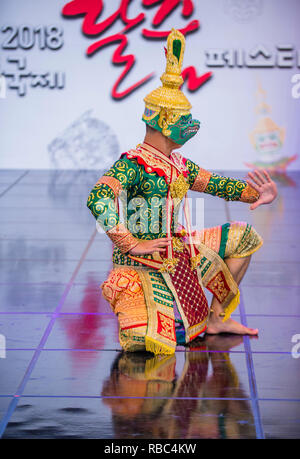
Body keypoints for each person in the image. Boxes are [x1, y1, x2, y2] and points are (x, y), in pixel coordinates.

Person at [87, 29, 277, 355]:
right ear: (164, 120)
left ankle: (216, 319)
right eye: (185, 118)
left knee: (243, 237)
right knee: (148, 346)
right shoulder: (133, 164)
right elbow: (98, 198)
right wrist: (132, 243)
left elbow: (216, 184)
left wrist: (255, 194)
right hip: (140, 264)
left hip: (183, 250)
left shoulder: (179, 164)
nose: (191, 124)